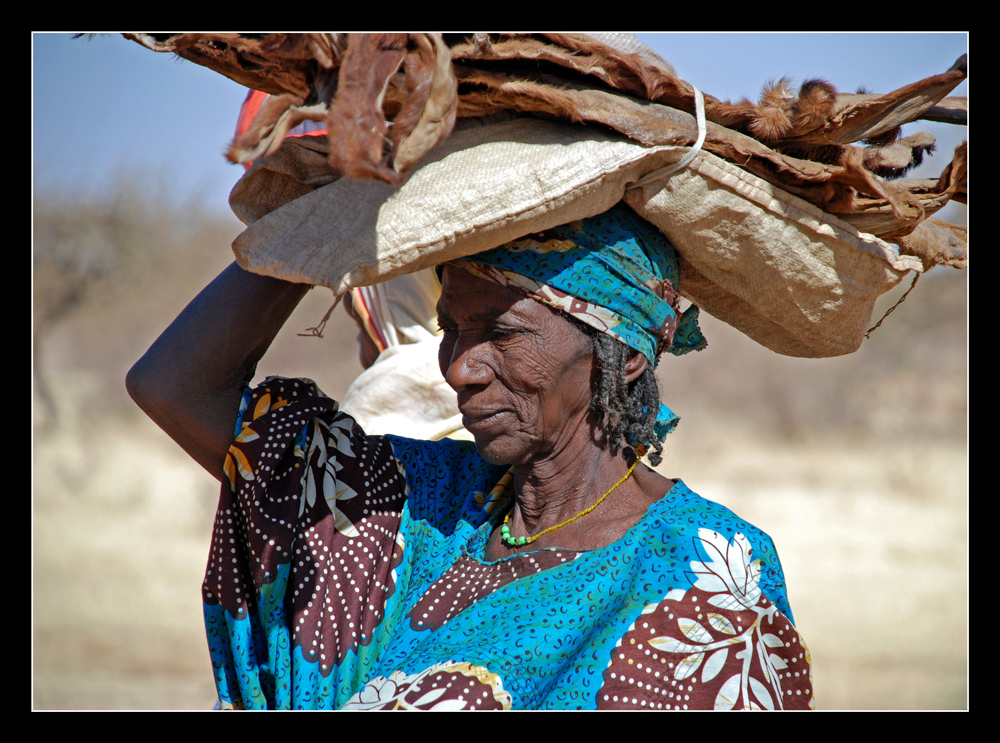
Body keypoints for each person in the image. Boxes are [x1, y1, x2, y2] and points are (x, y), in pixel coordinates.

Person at [127, 198, 813, 710]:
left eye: (501, 331)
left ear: (625, 354)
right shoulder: (416, 502)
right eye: (452, 327)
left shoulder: (706, 570)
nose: (459, 366)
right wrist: (339, 201)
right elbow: (175, 387)